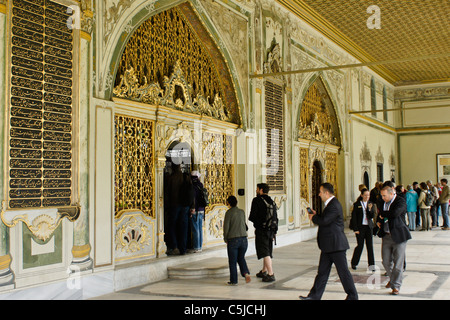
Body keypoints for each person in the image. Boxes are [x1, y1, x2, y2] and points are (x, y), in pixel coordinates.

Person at [299, 183, 358, 300]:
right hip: (328, 246)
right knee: (322, 273)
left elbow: (325, 221)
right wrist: (317, 215)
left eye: (320, 192)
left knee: (343, 273)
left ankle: (353, 296)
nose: (319, 194)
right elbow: (327, 219)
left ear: (326, 193)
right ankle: (314, 296)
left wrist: (314, 218)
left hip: (336, 246)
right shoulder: (330, 205)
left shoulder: (334, 205)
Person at [377, 185, 411, 295]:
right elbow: (380, 214)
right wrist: (379, 220)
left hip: (399, 236)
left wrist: (383, 214)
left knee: (398, 263)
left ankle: (396, 286)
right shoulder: (382, 202)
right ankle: (392, 280)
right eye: (381, 196)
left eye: (384, 196)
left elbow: (395, 213)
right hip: (386, 235)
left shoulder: (400, 201)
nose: (383, 198)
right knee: (386, 261)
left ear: (391, 194)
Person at [249, 183, 278, 283]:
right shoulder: (272, 202)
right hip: (271, 231)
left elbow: (252, 216)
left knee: (264, 251)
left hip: (262, 230)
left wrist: (257, 224)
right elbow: (275, 217)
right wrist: (274, 232)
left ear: (261, 190)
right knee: (268, 250)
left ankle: (271, 274)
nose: (256, 191)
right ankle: (264, 271)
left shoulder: (256, 200)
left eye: (257, 189)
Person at [166, 163, 195, 256]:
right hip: (185, 205)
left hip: (174, 205)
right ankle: (183, 249)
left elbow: (167, 193)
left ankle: (174, 247)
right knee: (184, 227)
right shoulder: (185, 177)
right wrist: (192, 206)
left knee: (171, 225)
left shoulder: (171, 178)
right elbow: (191, 192)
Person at [223, 196, 251, 285]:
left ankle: (234, 280)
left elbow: (226, 227)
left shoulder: (229, 213)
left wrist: (225, 238)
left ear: (228, 203)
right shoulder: (241, 212)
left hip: (233, 240)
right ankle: (246, 273)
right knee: (241, 257)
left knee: (232, 261)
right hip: (244, 239)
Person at [350, 188, 376, 271]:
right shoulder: (357, 204)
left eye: (368, 195)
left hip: (368, 227)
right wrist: (355, 229)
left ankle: (371, 265)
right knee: (360, 246)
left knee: (370, 246)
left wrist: (369, 209)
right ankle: (354, 263)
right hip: (360, 227)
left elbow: (371, 216)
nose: (367, 197)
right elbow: (354, 217)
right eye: (365, 195)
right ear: (361, 195)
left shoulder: (371, 204)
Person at [189, 171, 206, 253]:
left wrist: (192, 209)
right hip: (201, 209)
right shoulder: (201, 185)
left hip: (195, 209)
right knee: (199, 229)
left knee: (195, 229)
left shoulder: (193, 186)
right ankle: (200, 246)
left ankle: (196, 247)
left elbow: (193, 198)